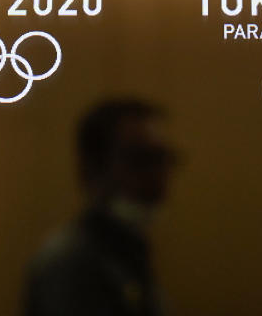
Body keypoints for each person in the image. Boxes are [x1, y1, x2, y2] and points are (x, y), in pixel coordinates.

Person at [24, 98, 177, 316]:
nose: (157, 175)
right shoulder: (69, 265)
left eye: (162, 159)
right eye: (140, 159)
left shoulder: (127, 252)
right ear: (92, 168)